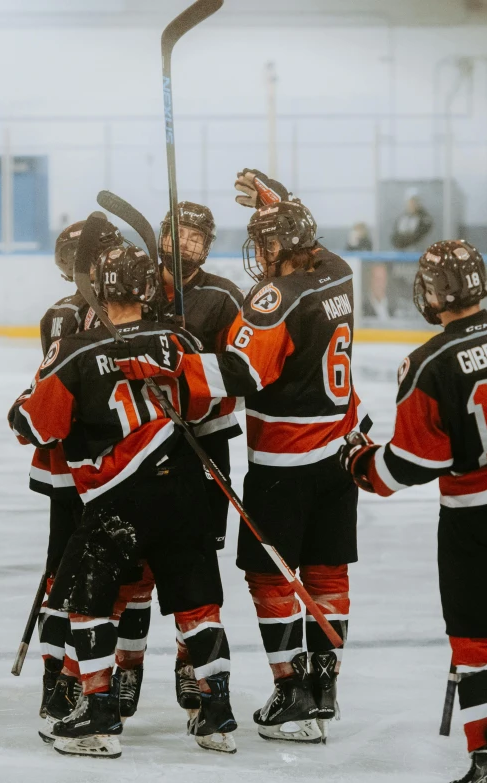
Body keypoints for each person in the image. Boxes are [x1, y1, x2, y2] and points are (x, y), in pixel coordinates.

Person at [115, 172, 371, 744]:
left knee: (268, 575)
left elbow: (243, 372)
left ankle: (291, 692)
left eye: (264, 244)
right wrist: (284, 208)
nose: (258, 255)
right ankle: (324, 685)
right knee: (328, 570)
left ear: (281, 246)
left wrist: (168, 366)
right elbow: (308, 250)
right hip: (337, 449)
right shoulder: (338, 272)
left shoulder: (273, 297)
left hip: (286, 459)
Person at [8, 246, 237, 758]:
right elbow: (210, 401)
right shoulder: (179, 338)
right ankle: (216, 713)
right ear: (147, 289)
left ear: (99, 290)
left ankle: (98, 715)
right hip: (184, 490)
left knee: (89, 604)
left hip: (117, 501)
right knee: (199, 603)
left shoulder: (75, 349)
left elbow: (38, 428)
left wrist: (18, 409)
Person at [339, 240, 487, 783]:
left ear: (433, 294)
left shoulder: (428, 364)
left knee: (475, 637)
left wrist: (358, 462)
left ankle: (486, 756)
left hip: (473, 522)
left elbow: (409, 466)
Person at [32, 218, 123, 721]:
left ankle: (66, 677)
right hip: (79, 468)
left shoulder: (96, 309)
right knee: (66, 573)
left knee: (72, 573)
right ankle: (58, 677)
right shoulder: (64, 316)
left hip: (89, 467)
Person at [157, 200, 244, 713]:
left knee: (196, 557)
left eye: (198, 237)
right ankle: (125, 666)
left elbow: (240, 370)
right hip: (143, 445)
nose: (188, 244)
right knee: (140, 559)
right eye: (181, 233)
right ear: (163, 234)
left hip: (204, 438)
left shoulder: (223, 296)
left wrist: (193, 376)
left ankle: (190, 659)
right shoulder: (136, 287)